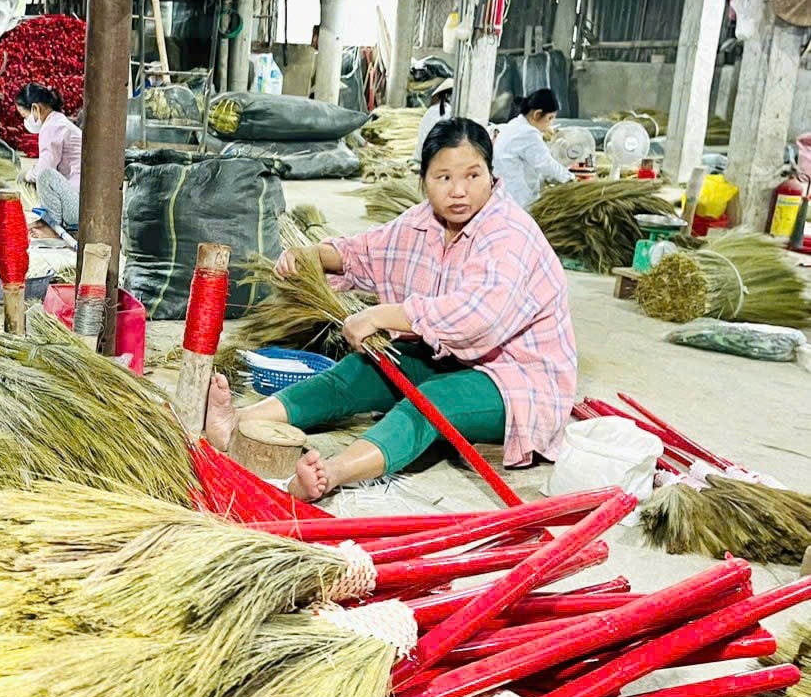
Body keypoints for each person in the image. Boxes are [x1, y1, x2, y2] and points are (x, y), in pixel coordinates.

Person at [205, 118, 577, 501]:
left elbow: (476, 318)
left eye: (472, 175)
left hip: (516, 379)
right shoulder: (423, 222)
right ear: (423, 180)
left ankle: (330, 474)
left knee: (433, 399)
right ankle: (237, 422)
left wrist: (380, 315)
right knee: (357, 370)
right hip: (450, 357)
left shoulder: (509, 233)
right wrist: (311, 256)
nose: (459, 191)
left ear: (491, 175)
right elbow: (362, 254)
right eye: (443, 177)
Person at [492, 88, 575, 209]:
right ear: (537, 114)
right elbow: (546, 164)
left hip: (503, 194)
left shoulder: (516, 124)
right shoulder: (528, 134)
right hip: (517, 200)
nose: (550, 124)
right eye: (550, 118)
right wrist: (570, 179)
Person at [15, 84, 81, 232]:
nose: (25, 121)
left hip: (78, 208)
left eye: (24, 116)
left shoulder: (52, 127)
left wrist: (27, 175)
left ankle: (53, 228)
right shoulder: (59, 122)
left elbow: (45, 168)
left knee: (44, 175)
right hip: (79, 203)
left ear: (35, 109)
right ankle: (48, 223)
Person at [413, 77, 454, 160]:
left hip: (421, 155)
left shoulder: (432, 110)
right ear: (448, 96)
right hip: (430, 158)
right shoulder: (447, 112)